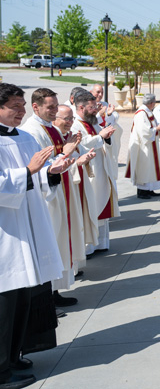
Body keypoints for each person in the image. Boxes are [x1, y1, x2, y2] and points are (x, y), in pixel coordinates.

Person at [0, 82, 71, 389]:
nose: (21, 111)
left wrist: (51, 172)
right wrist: (28, 171)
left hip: (29, 225)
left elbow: (37, 178)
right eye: (14, 107)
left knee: (23, 296)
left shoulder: (26, 137)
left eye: (22, 106)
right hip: (7, 232)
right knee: (5, 301)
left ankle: (13, 356)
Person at [20, 89, 86, 307]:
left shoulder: (49, 128)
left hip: (59, 192)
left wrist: (70, 154)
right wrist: (65, 153)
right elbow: (39, 168)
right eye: (50, 107)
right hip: (45, 198)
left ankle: (54, 291)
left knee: (60, 241)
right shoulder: (31, 132)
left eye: (56, 106)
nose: (54, 111)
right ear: (35, 107)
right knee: (51, 243)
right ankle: (47, 296)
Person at [71, 91, 119, 256]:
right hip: (89, 172)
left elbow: (101, 139)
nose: (95, 111)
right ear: (81, 107)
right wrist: (100, 136)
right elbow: (80, 145)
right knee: (90, 207)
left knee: (101, 203)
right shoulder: (75, 124)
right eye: (92, 108)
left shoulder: (92, 122)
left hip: (101, 169)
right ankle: (88, 246)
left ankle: (100, 243)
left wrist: (106, 137)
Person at [54, 105, 99, 268]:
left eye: (72, 119)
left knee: (76, 227)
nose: (70, 122)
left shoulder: (70, 136)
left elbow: (76, 157)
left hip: (75, 187)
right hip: (63, 190)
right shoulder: (55, 138)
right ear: (55, 118)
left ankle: (76, 265)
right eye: (67, 119)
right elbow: (52, 167)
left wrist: (83, 159)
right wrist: (77, 163)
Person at [125, 93, 160, 200]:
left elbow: (153, 126)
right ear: (151, 103)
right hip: (143, 146)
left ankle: (150, 189)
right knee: (144, 168)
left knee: (150, 168)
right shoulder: (141, 113)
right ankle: (142, 192)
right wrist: (158, 129)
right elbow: (144, 131)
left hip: (150, 144)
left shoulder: (147, 111)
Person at [91, 84, 123, 167]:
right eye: (98, 92)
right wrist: (99, 114)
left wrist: (109, 114)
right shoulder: (88, 105)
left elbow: (115, 117)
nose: (100, 95)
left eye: (102, 92)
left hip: (106, 138)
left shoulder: (104, 104)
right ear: (91, 92)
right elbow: (90, 122)